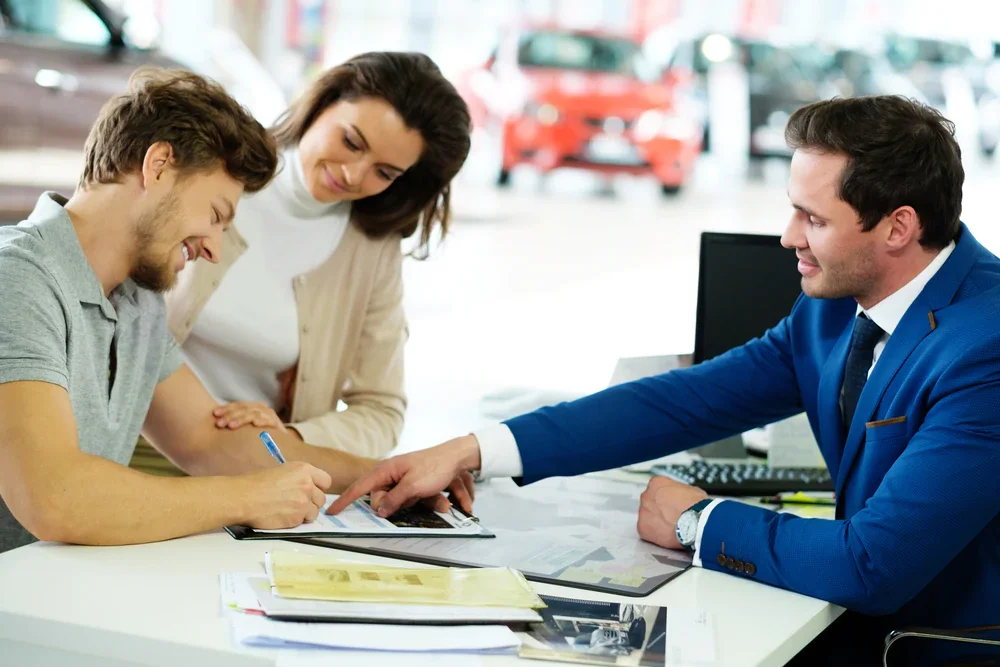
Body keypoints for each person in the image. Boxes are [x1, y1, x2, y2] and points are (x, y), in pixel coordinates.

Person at [329, 95, 1000, 664]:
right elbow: (685, 401)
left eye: (813, 219)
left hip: (938, 645)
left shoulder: (986, 346)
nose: (787, 236)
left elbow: (871, 565)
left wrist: (696, 522)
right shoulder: (829, 313)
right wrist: (474, 449)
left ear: (899, 227)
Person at [0, 68, 472, 555]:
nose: (213, 250)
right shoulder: (18, 276)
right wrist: (247, 497)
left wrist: (387, 476)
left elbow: (206, 440)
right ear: (157, 166)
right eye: (216, 216)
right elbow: (53, 499)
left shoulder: (135, 300)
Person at [128, 52, 471, 478]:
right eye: (351, 142)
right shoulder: (211, 168)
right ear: (320, 105)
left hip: (251, 472)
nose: (352, 174)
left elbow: (381, 410)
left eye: (384, 172)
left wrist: (292, 436)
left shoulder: (371, 251)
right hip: (124, 449)